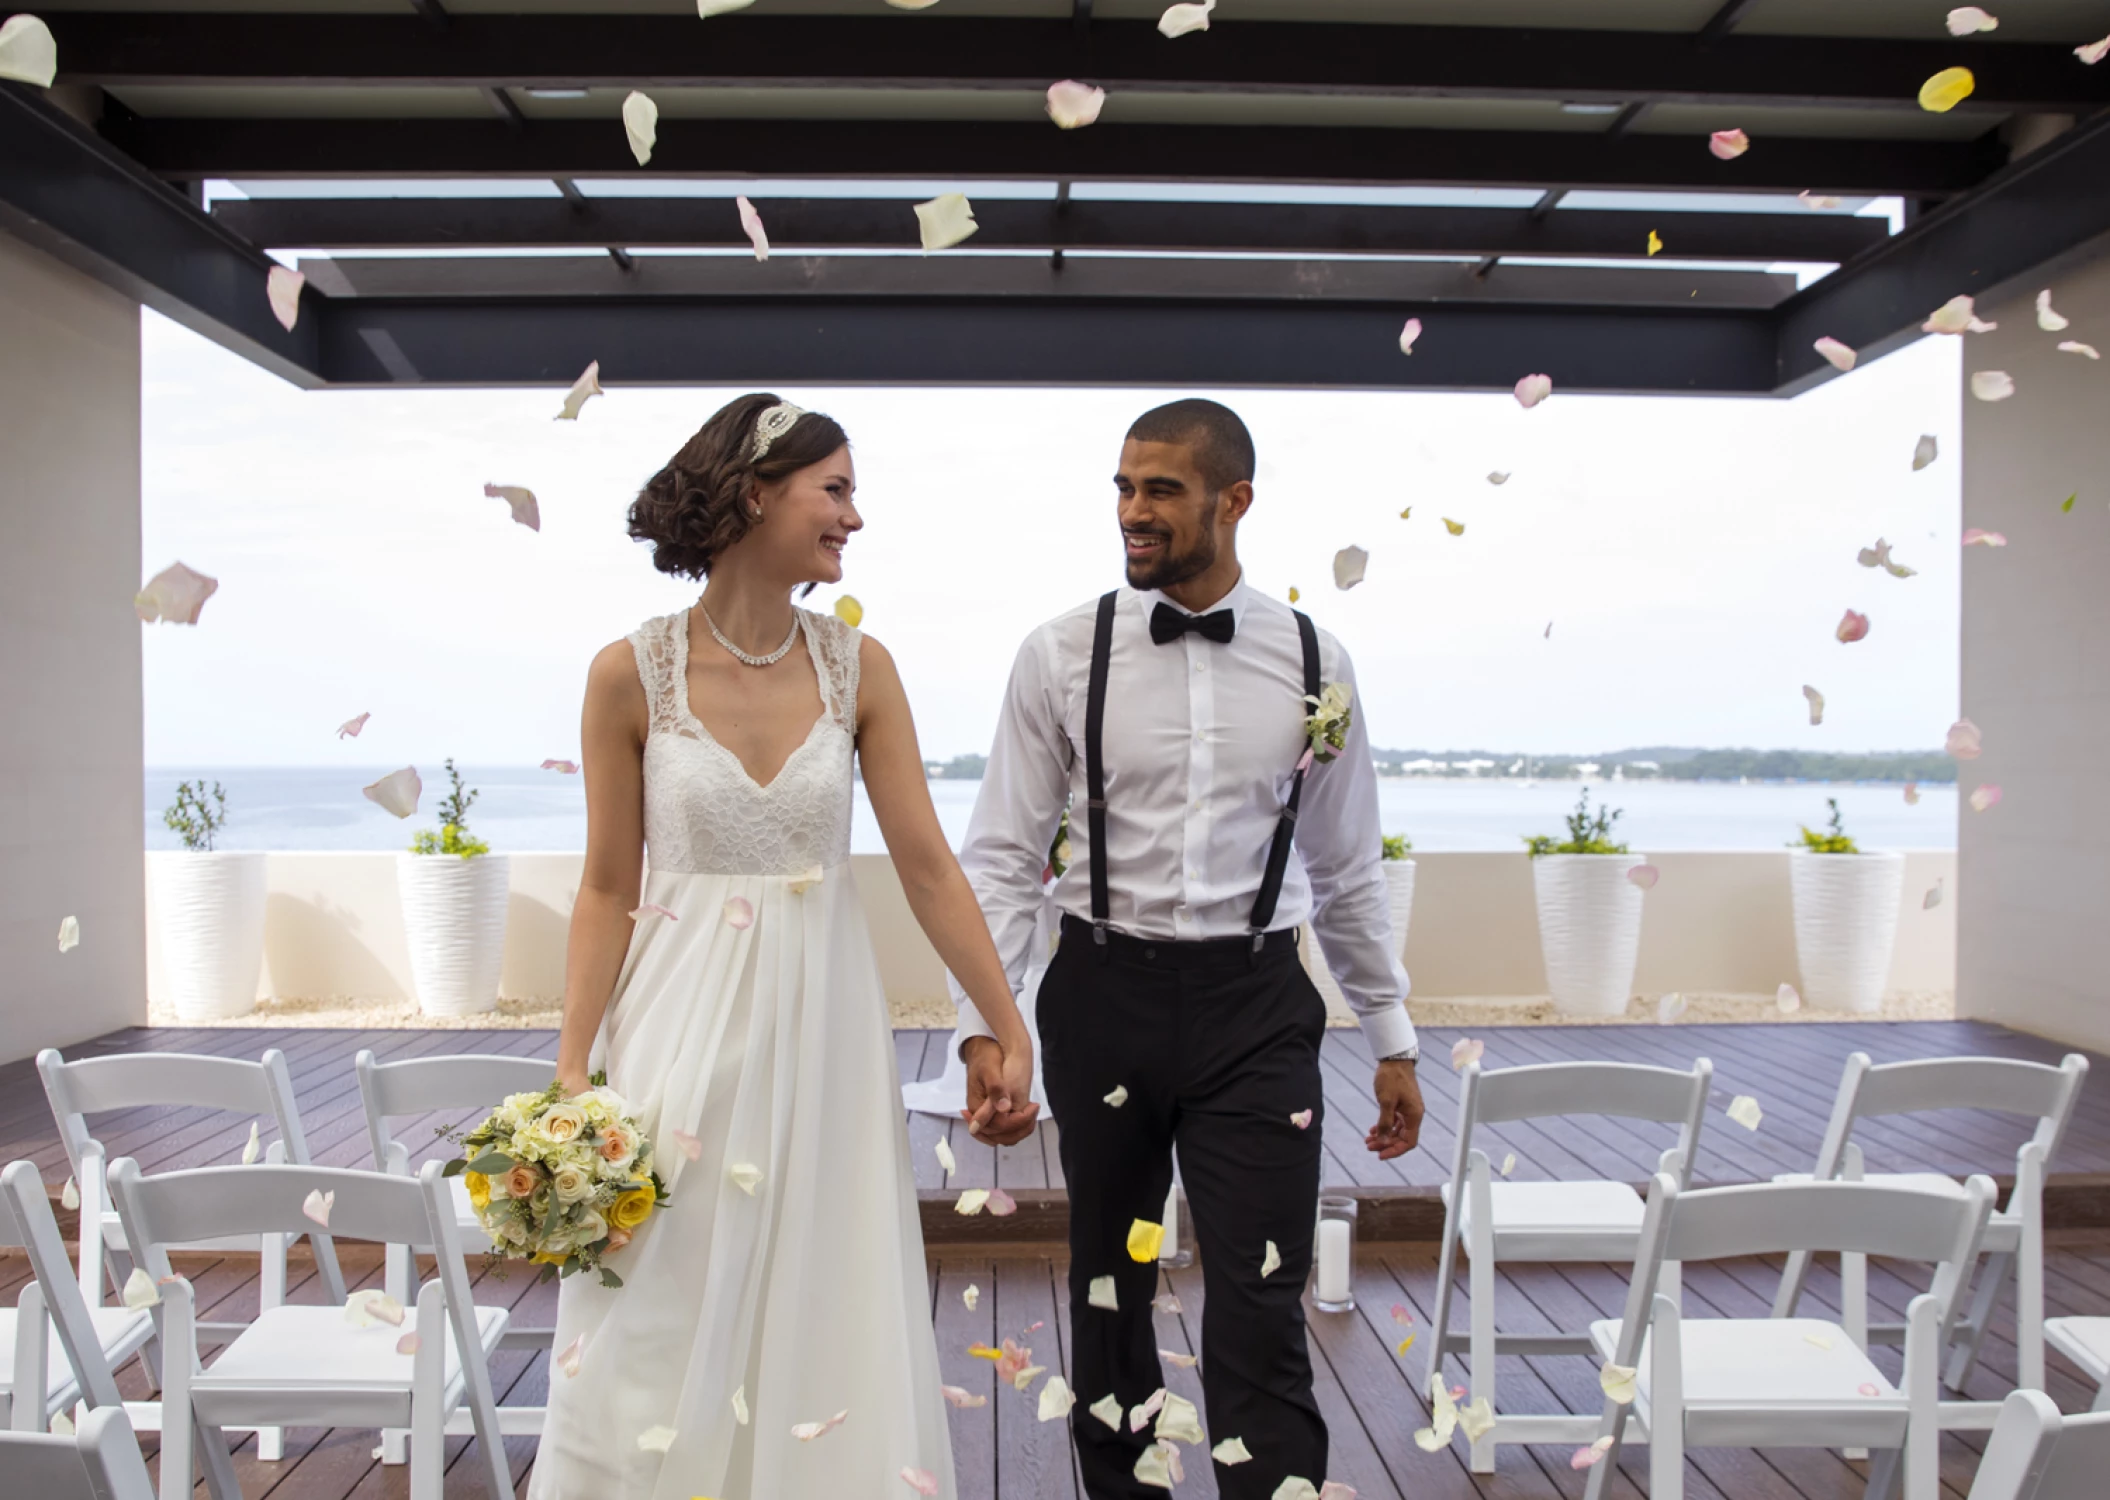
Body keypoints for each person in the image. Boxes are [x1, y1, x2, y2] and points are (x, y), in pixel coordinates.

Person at [529, 393, 1038, 1500]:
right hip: (675, 1023)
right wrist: (571, 1073)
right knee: (656, 1283)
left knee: (818, 1287)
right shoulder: (632, 671)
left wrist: (1005, 1024)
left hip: (820, 1030)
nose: (854, 516)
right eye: (836, 488)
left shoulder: (863, 670)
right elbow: (608, 883)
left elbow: (928, 867)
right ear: (757, 490)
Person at [950, 398, 1424, 1499]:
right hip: (1101, 991)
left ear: (1233, 500)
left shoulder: (1317, 658)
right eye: (1122, 487)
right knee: (1109, 1280)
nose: (1132, 511)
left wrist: (1391, 1035)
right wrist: (986, 1022)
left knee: (1262, 1292)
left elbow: (1348, 866)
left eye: (1159, 489)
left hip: (1257, 1002)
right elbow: (1000, 857)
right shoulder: (1061, 652)